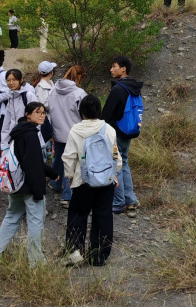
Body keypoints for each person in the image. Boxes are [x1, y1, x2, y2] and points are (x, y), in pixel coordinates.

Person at [0, 102, 59, 266]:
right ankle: (35, 261)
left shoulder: (19, 133)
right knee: (35, 222)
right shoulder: (31, 135)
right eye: (37, 112)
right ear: (27, 114)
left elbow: (31, 160)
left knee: (11, 217)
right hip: (29, 186)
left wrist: (52, 173)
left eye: (43, 112)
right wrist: (38, 191)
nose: (41, 115)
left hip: (15, 184)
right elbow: (31, 164)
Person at [62, 94, 121, 266]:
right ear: (99, 110)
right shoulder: (109, 129)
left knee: (78, 215)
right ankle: (99, 256)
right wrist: (113, 174)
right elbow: (116, 157)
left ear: (81, 112)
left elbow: (69, 157)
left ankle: (75, 252)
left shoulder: (75, 130)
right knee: (103, 216)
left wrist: (70, 176)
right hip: (105, 181)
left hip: (83, 180)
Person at [101, 55, 143, 215]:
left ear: (123, 68)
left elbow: (107, 114)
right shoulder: (134, 87)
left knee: (116, 164)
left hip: (116, 132)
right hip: (128, 130)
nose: (111, 69)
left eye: (114, 66)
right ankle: (130, 200)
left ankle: (118, 202)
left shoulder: (119, 89)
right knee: (123, 162)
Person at [46, 64, 86, 206]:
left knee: (58, 158)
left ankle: (55, 183)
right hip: (74, 133)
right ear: (79, 76)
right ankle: (67, 195)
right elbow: (84, 113)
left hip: (58, 132)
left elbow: (49, 109)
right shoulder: (79, 93)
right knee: (71, 163)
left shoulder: (52, 91)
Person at [0, 69, 38, 149]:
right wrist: (3, 145)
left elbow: (37, 118)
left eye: (14, 80)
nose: (11, 83)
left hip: (28, 138)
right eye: (8, 80)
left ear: (21, 80)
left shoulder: (28, 95)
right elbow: (7, 123)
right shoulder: (11, 96)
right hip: (14, 138)